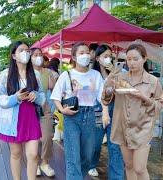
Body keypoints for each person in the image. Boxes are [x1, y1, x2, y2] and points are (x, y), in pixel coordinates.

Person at [102, 44, 163, 180]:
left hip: (143, 128)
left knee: (140, 168)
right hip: (123, 127)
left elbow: (159, 104)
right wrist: (109, 84)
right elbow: (106, 100)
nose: (131, 63)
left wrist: (143, 97)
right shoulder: (120, 78)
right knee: (129, 166)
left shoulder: (153, 81)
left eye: (135, 59)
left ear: (144, 58)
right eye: (128, 59)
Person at [50, 42, 105, 180]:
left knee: (88, 155)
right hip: (72, 117)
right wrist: (63, 110)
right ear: (74, 57)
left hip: (91, 116)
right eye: (81, 53)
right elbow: (55, 97)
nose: (85, 55)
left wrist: (105, 112)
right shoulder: (66, 75)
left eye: (87, 52)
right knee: (73, 157)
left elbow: (103, 97)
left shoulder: (96, 75)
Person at [0, 41, 45, 180]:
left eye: (28, 50)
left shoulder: (35, 74)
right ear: (13, 56)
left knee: (33, 154)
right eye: (22, 50)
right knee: (16, 153)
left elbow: (42, 97)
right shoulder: (6, 74)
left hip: (31, 118)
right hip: (13, 119)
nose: (26, 53)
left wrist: (36, 96)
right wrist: (15, 97)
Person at [88, 44, 124, 179]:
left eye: (110, 56)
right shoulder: (93, 74)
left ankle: (116, 176)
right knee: (96, 143)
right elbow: (94, 94)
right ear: (98, 58)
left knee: (115, 145)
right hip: (98, 110)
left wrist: (115, 74)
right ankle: (91, 164)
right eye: (105, 56)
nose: (108, 59)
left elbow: (122, 87)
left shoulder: (116, 72)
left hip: (115, 109)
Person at [30, 48, 58, 177]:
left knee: (47, 137)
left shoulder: (48, 72)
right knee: (33, 139)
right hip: (29, 110)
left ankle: (45, 162)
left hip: (46, 108)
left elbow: (52, 88)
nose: (38, 57)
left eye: (40, 55)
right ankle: (34, 163)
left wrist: (49, 77)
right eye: (35, 55)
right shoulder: (26, 72)